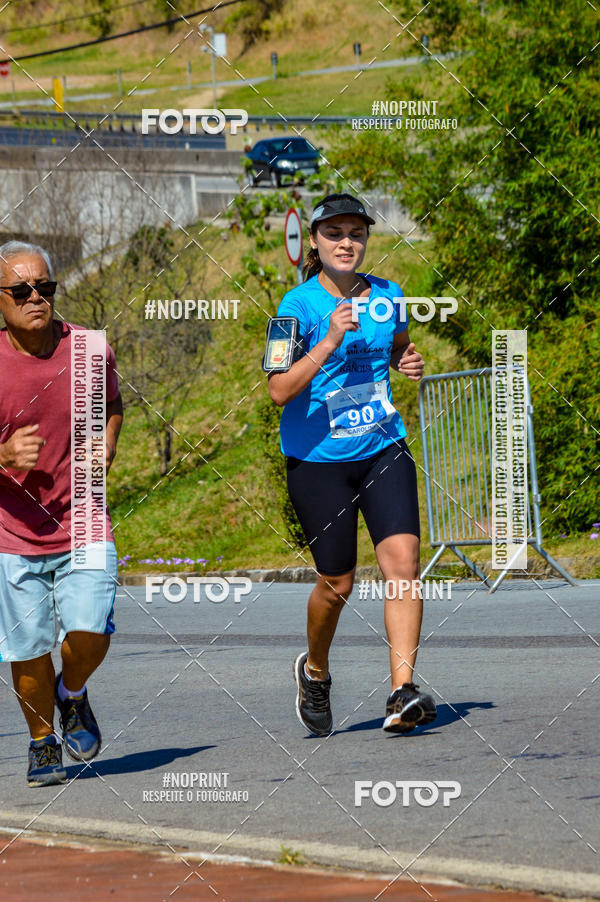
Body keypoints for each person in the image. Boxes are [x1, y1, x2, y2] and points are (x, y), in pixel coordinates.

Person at [268, 193, 437, 737]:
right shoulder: (294, 309)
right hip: (318, 460)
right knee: (337, 582)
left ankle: (402, 691)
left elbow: (398, 348)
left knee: (403, 566)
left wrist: (404, 361)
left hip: (383, 446)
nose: (347, 242)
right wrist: (331, 339)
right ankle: (315, 670)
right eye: (335, 233)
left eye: (357, 233)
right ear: (314, 242)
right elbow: (278, 390)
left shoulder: (389, 295)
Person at [0, 240, 123, 786]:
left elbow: (114, 403)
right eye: (21, 290)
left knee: (89, 632)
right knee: (27, 653)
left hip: (84, 521)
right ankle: (42, 741)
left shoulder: (91, 349)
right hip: (13, 536)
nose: (35, 298)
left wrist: (108, 440)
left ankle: (71, 693)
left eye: (44, 288)